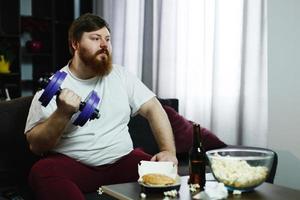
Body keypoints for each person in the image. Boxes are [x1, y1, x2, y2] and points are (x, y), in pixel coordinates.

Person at [25, 13, 178, 200]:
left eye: (107, 39)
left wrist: (168, 152)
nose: (104, 45)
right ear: (76, 44)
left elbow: (154, 108)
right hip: (74, 166)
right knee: (41, 172)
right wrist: (62, 113)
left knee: (166, 175)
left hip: (122, 162)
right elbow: (36, 145)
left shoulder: (121, 75)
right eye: (95, 39)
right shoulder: (50, 89)